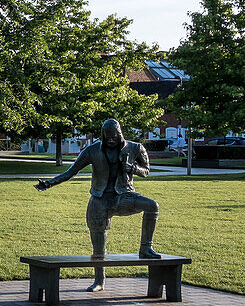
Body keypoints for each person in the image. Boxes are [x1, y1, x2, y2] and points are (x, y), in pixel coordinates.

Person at [34, 118, 161, 292]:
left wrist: (134, 169)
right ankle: (99, 281)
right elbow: (71, 172)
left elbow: (146, 171)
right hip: (100, 200)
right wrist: (49, 183)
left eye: (113, 137)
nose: (110, 140)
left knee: (152, 206)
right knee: (98, 244)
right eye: (107, 137)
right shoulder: (92, 150)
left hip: (124, 195)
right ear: (102, 135)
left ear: (120, 134)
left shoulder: (135, 148)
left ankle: (146, 248)